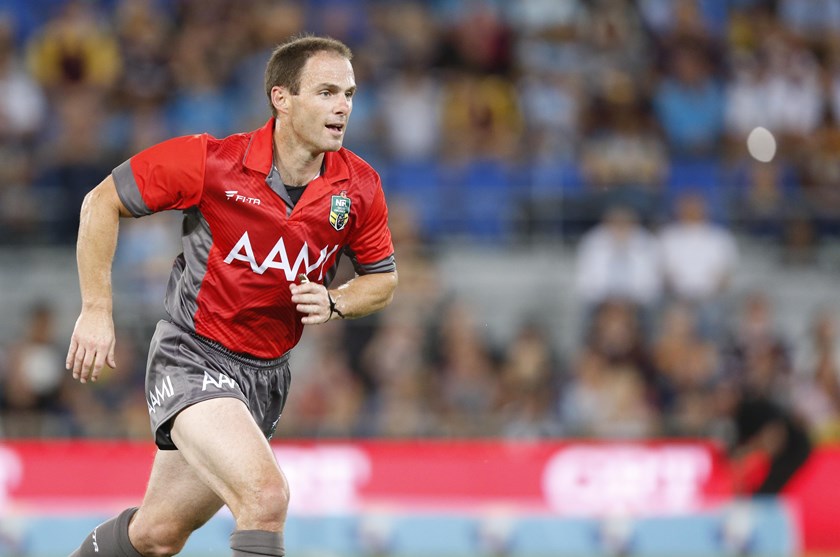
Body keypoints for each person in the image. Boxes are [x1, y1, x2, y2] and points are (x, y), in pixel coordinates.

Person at [64, 35, 398, 557]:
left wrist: (336, 301)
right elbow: (100, 202)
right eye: (327, 92)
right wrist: (95, 309)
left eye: (349, 94)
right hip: (193, 356)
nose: (343, 107)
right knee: (266, 498)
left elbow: (383, 280)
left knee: (156, 535)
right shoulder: (211, 162)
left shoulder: (360, 187)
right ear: (281, 98)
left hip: (265, 377)